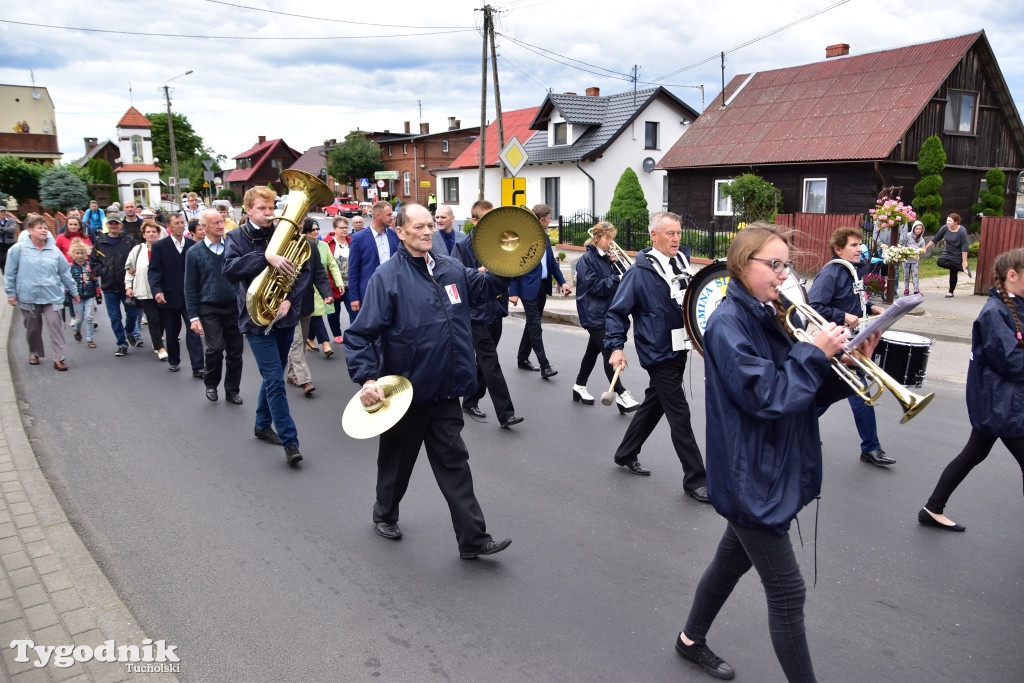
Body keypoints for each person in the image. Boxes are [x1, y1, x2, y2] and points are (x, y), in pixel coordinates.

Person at [676, 223, 878, 682]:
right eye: (774, 265)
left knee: (729, 563)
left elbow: (799, 393)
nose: (783, 275)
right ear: (743, 264)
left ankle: (689, 639)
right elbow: (767, 396)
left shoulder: (773, 313)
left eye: (785, 265)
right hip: (751, 475)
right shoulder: (727, 323)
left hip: (768, 466)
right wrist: (815, 355)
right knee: (788, 594)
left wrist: (841, 363)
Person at [343, 203, 512, 559]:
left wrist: (507, 262)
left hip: (447, 390)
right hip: (405, 394)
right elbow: (360, 335)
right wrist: (366, 379)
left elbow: (483, 289)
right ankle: (384, 514)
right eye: (417, 227)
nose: (426, 232)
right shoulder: (387, 278)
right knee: (397, 463)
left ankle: (473, 539)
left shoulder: (450, 267)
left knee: (455, 465)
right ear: (400, 232)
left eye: (429, 226)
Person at [604, 212, 709, 501]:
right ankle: (696, 479)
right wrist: (616, 346)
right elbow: (616, 313)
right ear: (654, 236)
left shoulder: (681, 262)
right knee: (679, 413)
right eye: (670, 233)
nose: (676, 238)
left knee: (655, 403)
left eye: (678, 233)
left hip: (679, 347)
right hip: (656, 351)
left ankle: (626, 452)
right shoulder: (639, 272)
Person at [919, 248, 1024, 532]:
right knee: (975, 453)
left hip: (1004, 403)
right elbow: (1013, 363)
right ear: (1012, 276)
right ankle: (932, 507)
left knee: (974, 453)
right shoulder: (994, 312)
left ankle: (933, 507)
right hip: (1001, 405)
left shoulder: (1015, 305)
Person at [223, 186, 310, 465]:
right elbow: (230, 270)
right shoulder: (235, 236)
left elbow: (303, 269)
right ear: (248, 209)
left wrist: (289, 301)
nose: (269, 213)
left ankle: (261, 424)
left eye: (271, 207)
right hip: (255, 319)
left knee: (274, 374)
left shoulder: (282, 233)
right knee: (275, 380)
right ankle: (290, 441)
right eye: (262, 208)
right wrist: (265, 257)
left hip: (284, 316)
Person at [808, 226, 893, 467]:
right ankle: (871, 447)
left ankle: (798, 428)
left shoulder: (853, 272)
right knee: (859, 392)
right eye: (853, 245)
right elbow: (814, 305)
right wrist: (843, 315)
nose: (860, 249)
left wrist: (871, 308)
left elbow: (854, 302)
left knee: (830, 396)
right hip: (835, 342)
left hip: (850, 341)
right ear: (838, 249)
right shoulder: (832, 273)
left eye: (860, 244)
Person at [452, 205, 524, 429]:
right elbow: (454, 277)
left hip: (496, 309)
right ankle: (506, 413)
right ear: (474, 221)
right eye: (485, 220)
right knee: (490, 360)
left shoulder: (499, 241)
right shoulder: (462, 246)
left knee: (483, 361)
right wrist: (480, 272)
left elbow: (509, 271)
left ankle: (470, 400)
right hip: (475, 313)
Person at [572, 221, 639, 413]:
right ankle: (621, 394)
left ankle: (579, 385)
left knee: (592, 351)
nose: (611, 242)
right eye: (607, 238)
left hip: (608, 313)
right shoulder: (587, 260)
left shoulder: (608, 258)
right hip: (593, 313)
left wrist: (617, 265)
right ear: (597, 238)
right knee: (609, 351)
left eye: (612, 237)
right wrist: (616, 278)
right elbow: (594, 287)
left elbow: (625, 277)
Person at [4, 214, 79, 371]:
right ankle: (35, 352)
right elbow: (10, 272)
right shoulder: (19, 250)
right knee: (33, 328)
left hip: (52, 295)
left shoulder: (54, 251)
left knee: (54, 324)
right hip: (28, 296)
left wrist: (73, 291)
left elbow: (65, 273)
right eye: (40, 228)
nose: (44, 230)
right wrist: (10, 293)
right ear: (30, 230)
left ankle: (59, 358)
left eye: (45, 228)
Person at [185, 209, 244, 405]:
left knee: (235, 351)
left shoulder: (231, 247)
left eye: (222, 222)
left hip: (233, 306)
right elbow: (190, 286)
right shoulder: (194, 252)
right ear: (203, 227)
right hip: (208, 308)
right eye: (216, 223)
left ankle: (232, 389)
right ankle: (211, 384)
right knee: (216, 347)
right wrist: (193, 317)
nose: (221, 226)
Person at [510, 203, 572, 378]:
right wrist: (512, 291)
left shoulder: (544, 236)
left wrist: (563, 282)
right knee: (536, 326)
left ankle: (522, 358)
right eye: (548, 219)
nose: (550, 221)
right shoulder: (524, 238)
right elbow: (516, 266)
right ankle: (545, 366)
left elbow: (551, 262)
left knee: (531, 324)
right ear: (541, 219)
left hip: (542, 286)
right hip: (528, 288)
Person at [148, 213, 204, 376]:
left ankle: (198, 366)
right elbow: (154, 271)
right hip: (168, 296)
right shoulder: (160, 246)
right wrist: (157, 290)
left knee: (194, 330)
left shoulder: (192, 245)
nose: (181, 225)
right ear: (169, 227)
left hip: (189, 297)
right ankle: (174, 360)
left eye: (182, 222)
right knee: (172, 332)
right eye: (177, 223)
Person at [90, 213, 138, 357]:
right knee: (115, 317)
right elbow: (93, 262)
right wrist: (102, 271)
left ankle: (129, 331)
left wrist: (133, 270)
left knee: (132, 313)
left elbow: (137, 258)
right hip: (109, 286)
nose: (113, 226)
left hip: (127, 285)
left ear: (121, 225)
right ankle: (121, 343)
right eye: (111, 223)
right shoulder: (100, 242)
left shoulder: (129, 241)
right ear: (107, 225)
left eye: (116, 223)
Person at [125, 221, 167, 360]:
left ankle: (157, 341)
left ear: (158, 233)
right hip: (144, 291)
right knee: (153, 319)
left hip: (162, 291)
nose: (151, 234)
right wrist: (129, 286)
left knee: (162, 319)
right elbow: (129, 270)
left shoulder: (164, 249)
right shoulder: (137, 250)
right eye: (148, 232)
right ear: (143, 234)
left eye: (153, 231)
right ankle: (160, 347)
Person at [347, 201, 398, 315]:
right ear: (378, 216)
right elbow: (353, 270)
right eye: (389, 215)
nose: (392, 218)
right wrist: (354, 297)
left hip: (393, 291)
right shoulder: (358, 238)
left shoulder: (394, 235)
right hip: (370, 292)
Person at [303, 220, 343, 356]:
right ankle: (325, 343)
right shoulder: (300, 246)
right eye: (312, 229)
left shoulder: (324, 246)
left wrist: (339, 283)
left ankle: (309, 338)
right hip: (307, 288)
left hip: (321, 285)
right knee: (316, 315)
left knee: (314, 315)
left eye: (317, 229)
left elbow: (332, 265)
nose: (315, 231)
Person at [923, 212, 971, 298]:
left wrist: (964, 261)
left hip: (958, 254)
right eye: (947, 220)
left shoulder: (962, 231)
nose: (947, 222)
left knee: (953, 272)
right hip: (947, 252)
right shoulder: (945, 228)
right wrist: (925, 248)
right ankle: (962, 269)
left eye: (950, 221)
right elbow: (935, 239)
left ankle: (950, 292)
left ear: (956, 222)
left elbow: (965, 247)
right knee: (940, 262)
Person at [322, 216, 352, 332]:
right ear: (335, 228)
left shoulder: (352, 241)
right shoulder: (327, 243)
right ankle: (336, 333)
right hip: (333, 284)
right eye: (342, 228)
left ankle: (354, 333)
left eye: (346, 227)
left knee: (354, 310)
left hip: (349, 283)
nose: (345, 230)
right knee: (334, 312)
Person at [67, 239, 98, 348]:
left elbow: (95, 280)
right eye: (77, 253)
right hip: (77, 297)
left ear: (86, 254)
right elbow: (67, 282)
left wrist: (97, 293)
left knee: (89, 317)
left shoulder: (90, 267)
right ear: (72, 254)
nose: (80, 256)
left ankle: (90, 339)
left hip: (89, 296)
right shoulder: (70, 268)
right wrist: (67, 297)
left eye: (82, 253)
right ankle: (77, 329)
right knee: (79, 318)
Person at [900, 220, 926, 296]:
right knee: (906, 275)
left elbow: (923, 248)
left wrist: (922, 251)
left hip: (915, 260)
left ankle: (916, 289)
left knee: (915, 274)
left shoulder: (921, 239)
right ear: (913, 228)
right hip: (906, 259)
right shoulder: (907, 236)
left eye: (920, 229)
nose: (918, 231)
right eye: (916, 229)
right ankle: (906, 288)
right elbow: (903, 244)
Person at [1, 207, 19, 273]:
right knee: (1, 260)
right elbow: (9, 229)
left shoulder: (11, 220)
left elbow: (12, 230)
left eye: (4, 211)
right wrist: (7, 229)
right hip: (1, 243)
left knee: (13, 258)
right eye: (1, 212)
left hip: (11, 243)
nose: (3, 213)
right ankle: (4, 272)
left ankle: (14, 272)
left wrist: (2, 228)